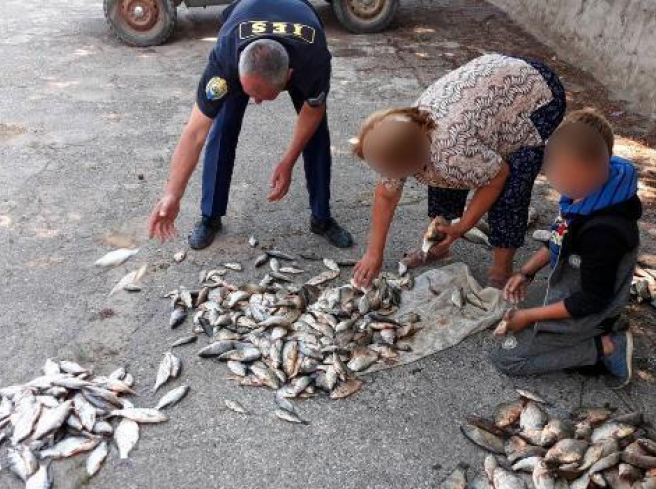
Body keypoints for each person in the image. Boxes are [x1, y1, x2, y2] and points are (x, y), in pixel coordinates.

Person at [147, 0, 353, 250]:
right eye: (250, 92)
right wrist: (172, 194)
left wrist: (287, 161)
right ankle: (210, 216)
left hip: (300, 23)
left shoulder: (314, 59)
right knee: (223, 126)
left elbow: (312, 113)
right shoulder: (225, 59)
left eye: (263, 96)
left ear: (289, 76)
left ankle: (322, 218)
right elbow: (194, 133)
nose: (255, 101)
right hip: (246, 20)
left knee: (317, 134)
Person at [351, 53, 566, 289]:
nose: (385, 177)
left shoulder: (450, 153)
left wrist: (463, 226)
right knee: (445, 177)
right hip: (492, 89)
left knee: (512, 183)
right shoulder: (411, 135)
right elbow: (386, 194)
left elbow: (498, 176)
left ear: (410, 162)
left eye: (389, 171)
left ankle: (501, 267)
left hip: (536, 96)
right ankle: (438, 244)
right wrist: (374, 253)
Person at [492, 108, 641, 387]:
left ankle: (608, 345)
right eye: (555, 175)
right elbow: (559, 236)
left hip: (592, 308)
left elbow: (591, 300)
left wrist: (528, 316)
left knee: (508, 358)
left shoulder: (605, 231)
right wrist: (526, 272)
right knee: (513, 319)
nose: (560, 186)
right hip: (574, 288)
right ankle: (588, 334)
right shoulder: (583, 195)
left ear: (601, 166)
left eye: (565, 179)